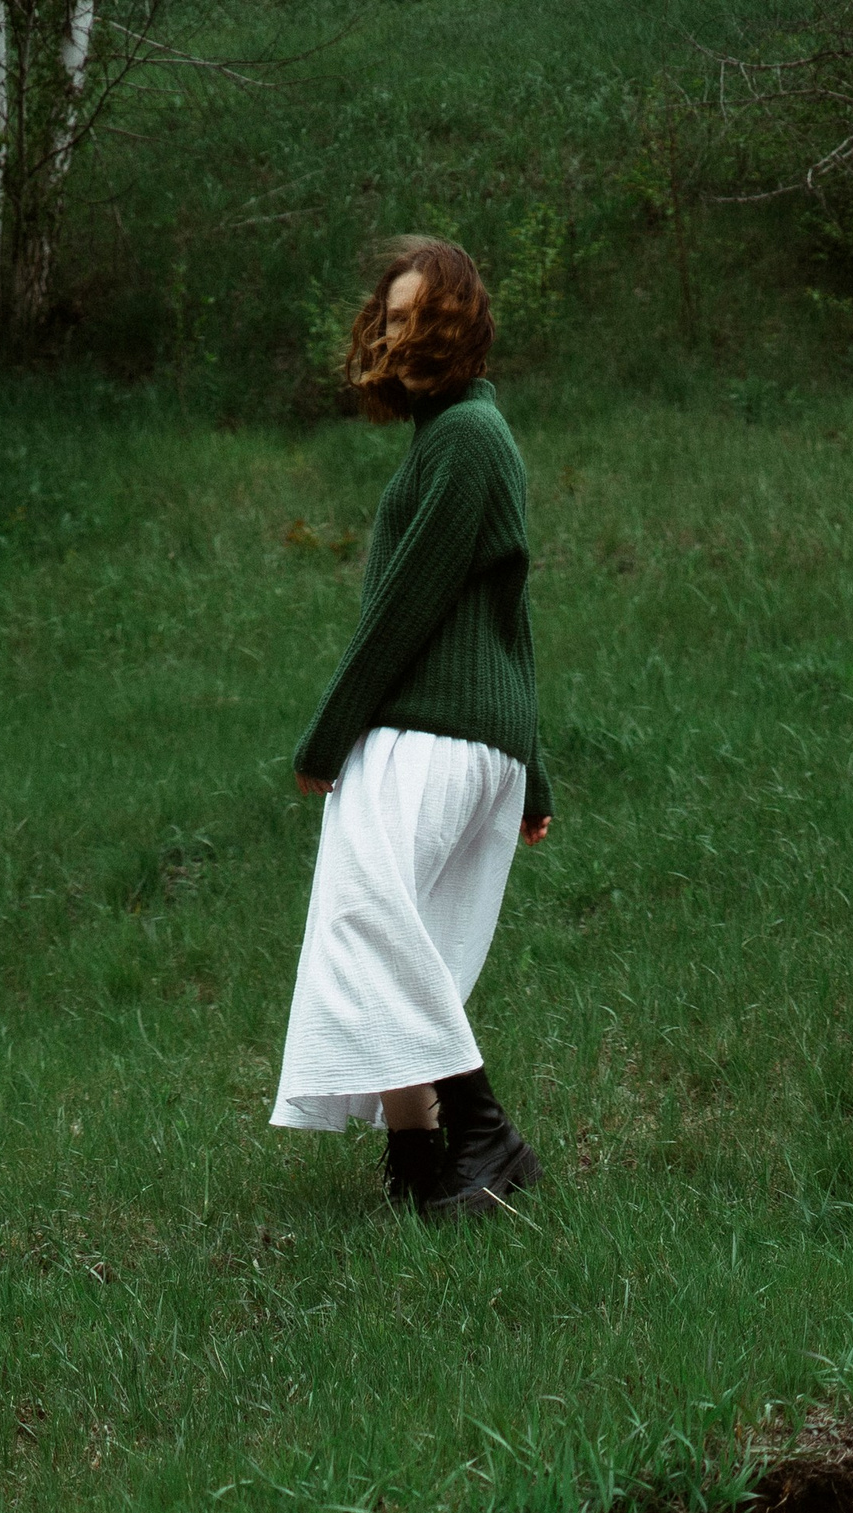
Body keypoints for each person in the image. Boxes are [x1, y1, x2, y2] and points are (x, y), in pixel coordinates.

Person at [272, 237, 553, 1220]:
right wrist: (539, 776)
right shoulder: (453, 434)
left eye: (414, 317)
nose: (394, 333)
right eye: (386, 317)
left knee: (367, 918)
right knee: (403, 934)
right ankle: (416, 1158)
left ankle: (484, 1134)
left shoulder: (469, 439)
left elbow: (407, 604)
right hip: (459, 731)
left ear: (459, 324)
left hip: (433, 731)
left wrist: (324, 734)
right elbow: (506, 613)